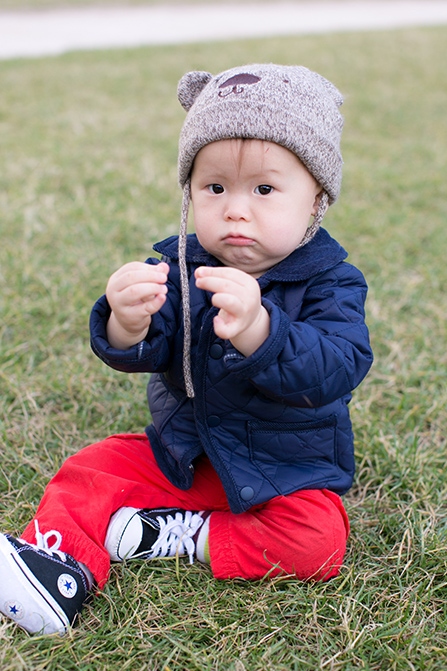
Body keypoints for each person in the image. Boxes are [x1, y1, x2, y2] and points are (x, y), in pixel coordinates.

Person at [0, 63, 373, 636]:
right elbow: (149, 348)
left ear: (317, 199)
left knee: (319, 542)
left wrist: (259, 329)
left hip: (282, 468)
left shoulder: (333, 282)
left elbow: (336, 368)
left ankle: (183, 536)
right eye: (214, 188)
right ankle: (56, 569)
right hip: (185, 453)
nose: (235, 209)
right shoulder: (181, 268)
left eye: (265, 190)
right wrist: (127, 322)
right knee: (93, 468)